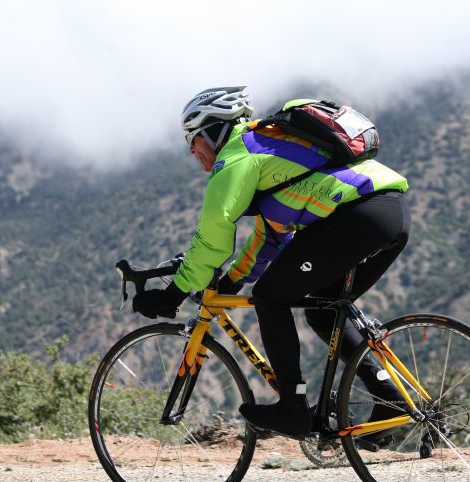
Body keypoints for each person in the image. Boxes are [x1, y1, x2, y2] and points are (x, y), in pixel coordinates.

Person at [133, 86, 410, 440]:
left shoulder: (237, 155)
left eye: (192, 137)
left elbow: (213, 235)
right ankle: (390, 397)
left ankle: (292, 408)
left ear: (213, 131)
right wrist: (230, 281)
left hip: (357, 218)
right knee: (323, 309)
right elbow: (269, 238)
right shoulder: (272, 148)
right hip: (391, 214)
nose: (190, 149)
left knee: (270, 297)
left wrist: (172, 294)